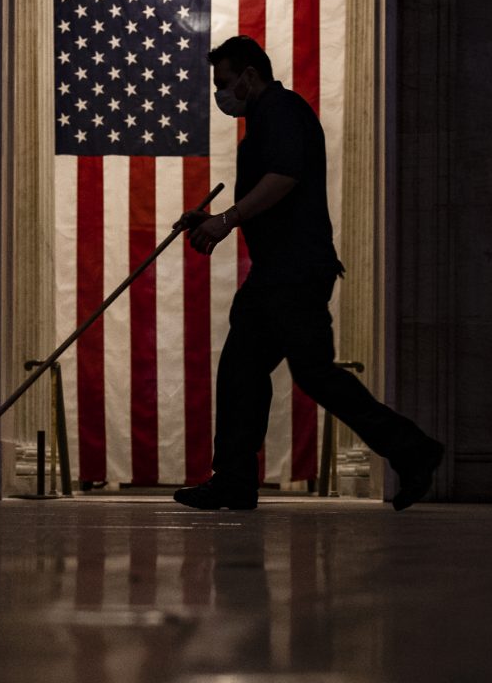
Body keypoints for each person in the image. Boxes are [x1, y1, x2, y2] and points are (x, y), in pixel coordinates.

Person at [174, 34, 446, 512]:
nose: (221, 94)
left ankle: (413, 449)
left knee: (307, 373)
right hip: (282, 271)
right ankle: (235, 480)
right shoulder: (267, 117)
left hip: (293, 272)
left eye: (224, 83)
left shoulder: (280, 110)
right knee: (246, 369)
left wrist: (225, 220)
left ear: (250, 76)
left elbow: (284, 177)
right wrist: (211, 220)